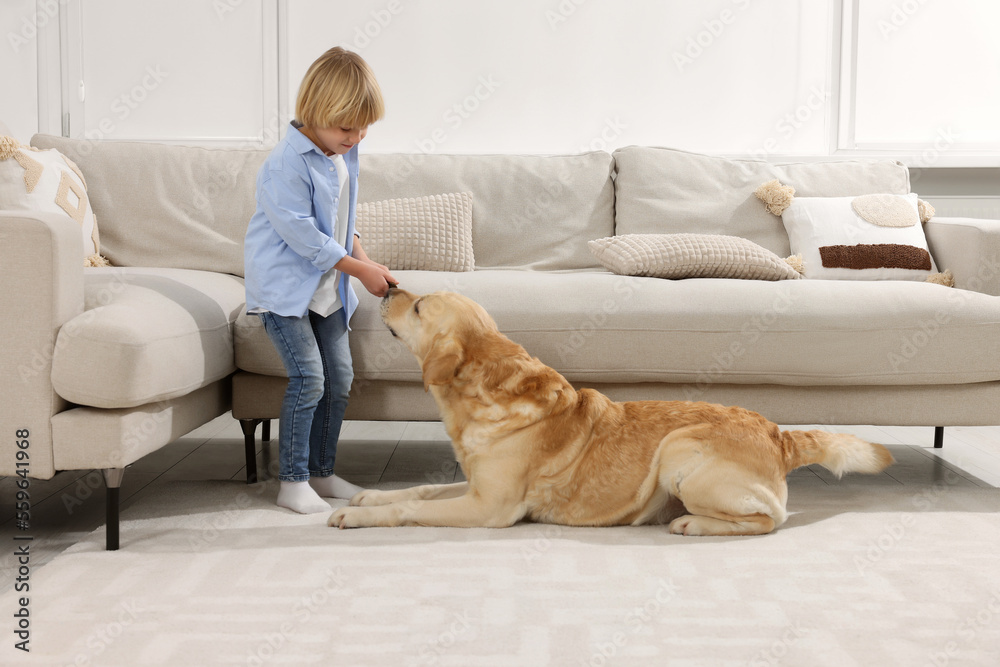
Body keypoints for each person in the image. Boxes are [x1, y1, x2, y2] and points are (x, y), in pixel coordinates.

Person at [244, 47, 396, 514]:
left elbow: (338, 219)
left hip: (327, 292)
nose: (356, 136)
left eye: (364, 126)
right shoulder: (285, 164)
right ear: (315, 112)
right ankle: (292, 483)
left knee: (340, 379)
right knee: (309, 379)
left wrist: (363, 256)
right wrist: (360, 270)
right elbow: (306, 238)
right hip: (286, 292)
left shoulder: (342, 153)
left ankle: (321, 473)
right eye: (346, 127)